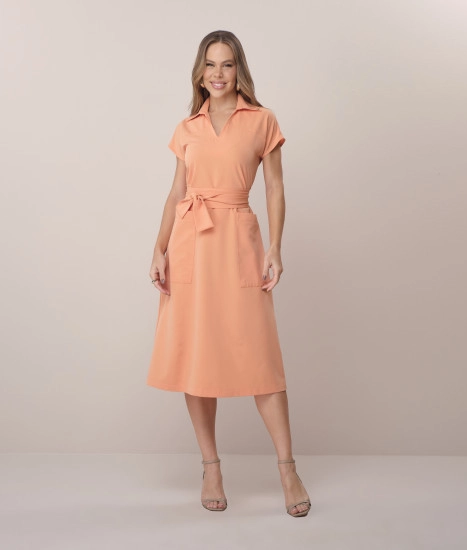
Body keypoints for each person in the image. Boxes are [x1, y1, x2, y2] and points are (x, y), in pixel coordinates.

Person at [146, 30, 311, 518]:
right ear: (199, 72)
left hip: (238, 240)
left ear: (240, 70)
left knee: (261, 357)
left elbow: (275, 188)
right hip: (190, 245)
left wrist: (275, 247)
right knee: (196, 357)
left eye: (228, 64)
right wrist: (158, 249)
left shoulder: (262, 120)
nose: (218, 74)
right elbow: (176, 194)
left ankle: (288, 469)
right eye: (210, 64)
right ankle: (211, 467)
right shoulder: (187, 128)